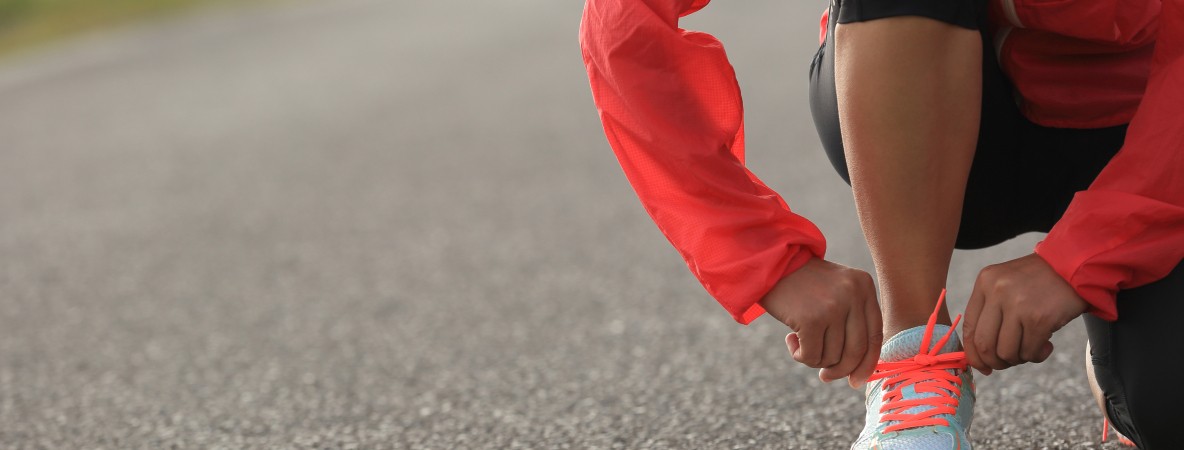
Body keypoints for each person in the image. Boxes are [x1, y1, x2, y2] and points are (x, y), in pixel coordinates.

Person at [579, 0, 1184, 448]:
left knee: (1169, 404)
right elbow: (622, 24)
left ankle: (1128, 353)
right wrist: (764, 260)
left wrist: (1085, 258)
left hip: (1158, 132)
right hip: (946, 108)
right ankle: (913, 363)